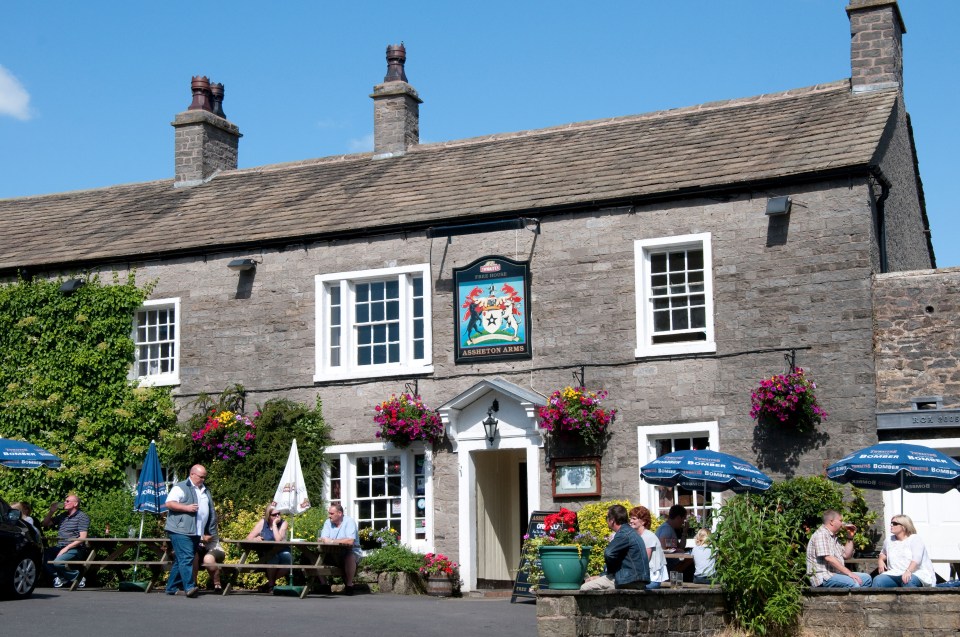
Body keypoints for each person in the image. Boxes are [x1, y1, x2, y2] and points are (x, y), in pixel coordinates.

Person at [164, 464, 216, 598]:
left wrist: (208, 530)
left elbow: (210, 511)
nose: (203, 479)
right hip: (180, 530)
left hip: (196, 531)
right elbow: (169, 503)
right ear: (192, 474)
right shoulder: (181, 487)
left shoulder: (205, 490)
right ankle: (189, 587)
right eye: (201, 477)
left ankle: (171, 587)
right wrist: (186, 508)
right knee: (186, 558)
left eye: (204, 477)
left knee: (181, 559)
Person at [580, 504, 650, 590]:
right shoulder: (630, 532)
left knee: (585, 587)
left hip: (629, 580)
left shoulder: (624, 534)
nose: (606, 521)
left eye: (607, 518)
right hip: (637, 580)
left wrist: (608, 574)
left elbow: (609, 553)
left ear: (612, 520)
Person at [806, 509, 872, 588]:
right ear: (832, 521)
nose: (843, 523)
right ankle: (853, 600)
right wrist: (849, 573)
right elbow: (829, 558)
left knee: (867, 579)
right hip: (823, 576)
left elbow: (846, 555)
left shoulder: (833, 537)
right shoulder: (821, 534)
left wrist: (850, 537)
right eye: (840, 520)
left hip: (835, 574)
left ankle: (861, 600)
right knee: (854, 583)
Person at [40, 493, 90, 588]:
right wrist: (51, 512)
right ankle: (58, 577)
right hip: (60, 546)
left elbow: (82, 538)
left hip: (75, 548)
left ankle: (78, 577)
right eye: (65, 501)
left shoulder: (82, 517)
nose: (64, 503)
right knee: (42, 555)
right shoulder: (63, 516)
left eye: (67, 501)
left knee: (58, 562)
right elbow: (45, 524)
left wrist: (66, 548)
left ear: (75, 504)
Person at [873, 514, 934, 588]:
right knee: (878, 580)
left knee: (907, 581)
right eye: (891, 523)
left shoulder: (915, 539)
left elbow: (917, 558)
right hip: (894, 573)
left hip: (915, 572)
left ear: (904, 526)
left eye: (895, 524)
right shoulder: (889, 540)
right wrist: (880, 560)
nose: (891, 525)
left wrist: (908, 571)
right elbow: (883, 553)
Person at [246, 504, 293, 593]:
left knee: (288, 561)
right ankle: (271, 586)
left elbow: (278, 540)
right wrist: (256, 539)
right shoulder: (263, 523)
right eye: (274, 515)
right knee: (272, 557)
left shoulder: (284, 523)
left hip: (282, 550)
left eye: (278, 513)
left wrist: (275, 525)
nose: (277, 516)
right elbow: (248, 538)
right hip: (267, 551)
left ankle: (268, 584)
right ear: (268, 515)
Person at [318, 503, 362, 595]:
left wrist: (332, 541)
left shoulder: (349, 522)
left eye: (331, 513)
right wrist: (326, 540)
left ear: (340, 513)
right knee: (313, 557)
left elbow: (350, 541)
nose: (329, 516)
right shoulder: (327, 522)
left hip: (350, 552)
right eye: (329, 513)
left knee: (349, 556)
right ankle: (324, 585)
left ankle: (349, 585)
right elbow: (322, 539)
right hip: (331, 553)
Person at [628, 506, 667, 589]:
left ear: (643, 522)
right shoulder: (637, 536)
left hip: (652, 579)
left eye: (634, 519)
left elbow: (644, 560)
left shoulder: (648, 536)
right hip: (643, 578)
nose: (631, 521)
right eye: (630, 518)